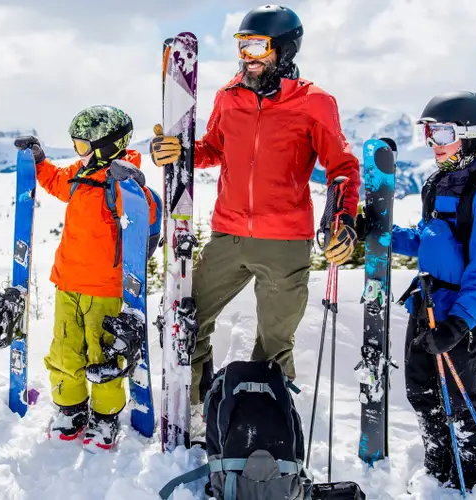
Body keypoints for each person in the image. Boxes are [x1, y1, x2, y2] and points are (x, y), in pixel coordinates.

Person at [148, 4, 361, 436]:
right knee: (189, 320)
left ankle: (268, 428)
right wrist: (178, 151)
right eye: (242, 46)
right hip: (228, 235)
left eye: (257, 46)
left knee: (275, 343)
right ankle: (197, 408)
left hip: (285, 243)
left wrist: (342, 219)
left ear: (282, 50)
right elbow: (212, 148)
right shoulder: (230, 96)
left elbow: (342, 167)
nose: (247, 56)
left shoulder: (314, 103)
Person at [0, 104, 159, 452]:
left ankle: (105, 416)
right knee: (65, 352)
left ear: (106, 145)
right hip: (67, 282)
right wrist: (40, 161)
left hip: (105, 289)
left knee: (103, 355)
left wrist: (134, 183)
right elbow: (58, 183)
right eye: (75, 146)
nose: (78, 153)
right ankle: (70, 408)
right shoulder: (83, 172)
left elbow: (145, 218)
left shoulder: (120, 181)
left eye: (83, 146)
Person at [365, 90, 476, 489]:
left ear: (471, 134)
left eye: (442, 133)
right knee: (422, 391)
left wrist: (459, 324)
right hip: (427, 303)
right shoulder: (441, 180)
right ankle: (440, 470)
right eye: (429, 133)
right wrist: (383, 235)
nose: (432, 144)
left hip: (464, 315)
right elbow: (429, 238)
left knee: (459, 400)